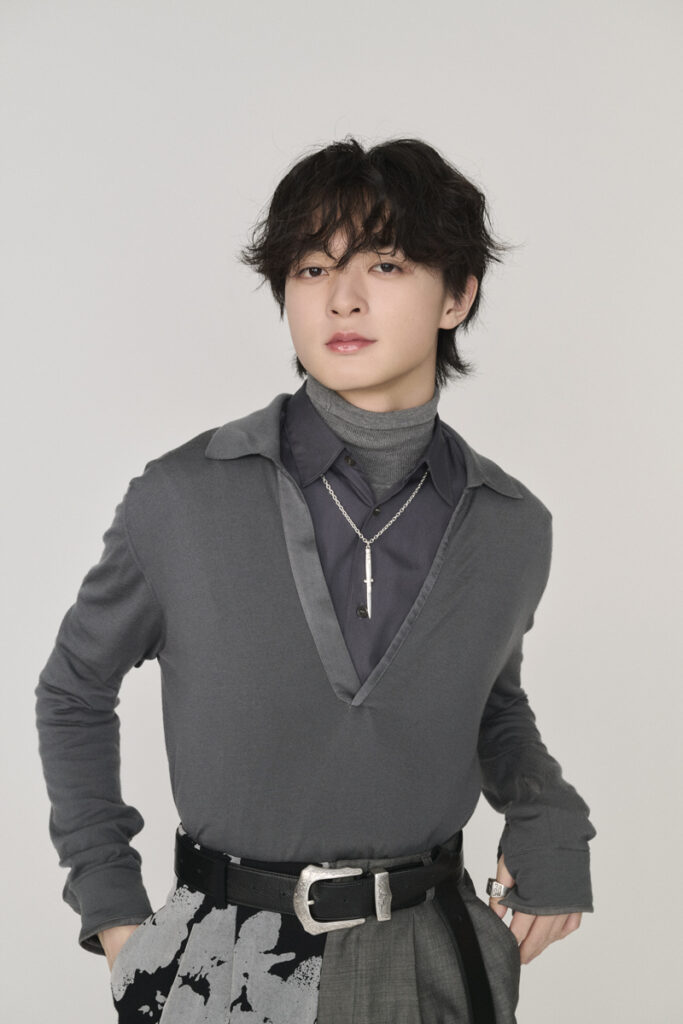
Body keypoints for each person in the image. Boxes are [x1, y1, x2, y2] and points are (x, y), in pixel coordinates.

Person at [35, 135, 596, 1024]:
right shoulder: (182, 498)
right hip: (224, 958)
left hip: (434, 952)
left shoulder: (509, 525)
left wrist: (549, 815)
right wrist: (113, 911)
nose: (342, 297)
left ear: (456, 296)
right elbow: (74, 689)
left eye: (386, 264)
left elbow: (489, 705)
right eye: (310, 268)